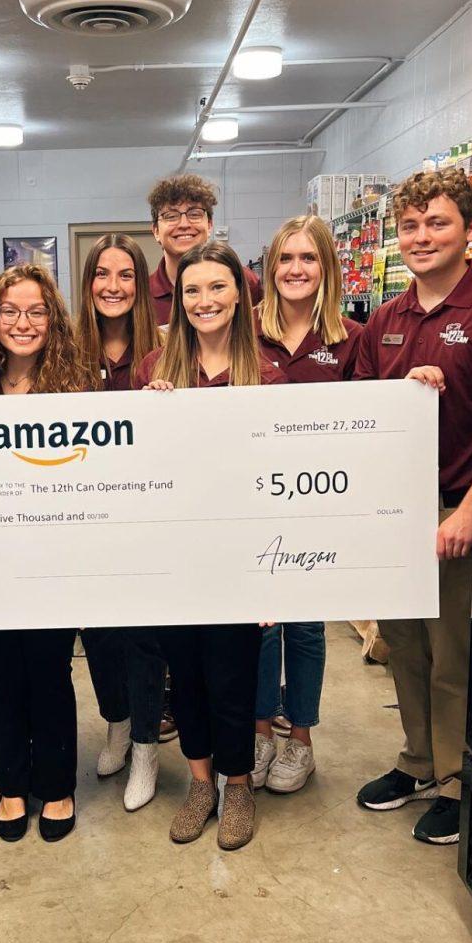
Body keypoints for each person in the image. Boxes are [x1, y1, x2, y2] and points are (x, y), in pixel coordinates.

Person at [134, 240, 284, 851]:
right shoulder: (154, 369)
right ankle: (201, 783)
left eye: (217, 287)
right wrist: (149, 417)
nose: (204, 300)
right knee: (186, 675)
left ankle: (239, 785)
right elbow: (136, 466)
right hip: (174, 553)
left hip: (240, 555)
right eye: (192, 289)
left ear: (242, 293)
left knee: (232, 675)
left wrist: (276, 572)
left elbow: (285, 475)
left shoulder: (267, 371)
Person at [353, 168, 472, 846]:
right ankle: (417, 761)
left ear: (468, 226)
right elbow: (358, 414)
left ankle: (459, 781)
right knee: (403, 644)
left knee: (452, 654)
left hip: (459, 507)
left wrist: (469, 511)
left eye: (437, 222)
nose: (421, 237)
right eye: (410, 225)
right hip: (394, 512)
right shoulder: (386, 318)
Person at [0, 266, 92, 842]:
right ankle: (10, 783)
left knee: (50, 670)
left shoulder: (74, 387)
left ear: (52, 320)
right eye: (9, 311)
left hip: (53, 553)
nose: (22, 323)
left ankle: (56, 786)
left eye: (35, 312)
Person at [251, 215, 363, 796]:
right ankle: (262, 733)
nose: (296, 270)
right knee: (260, 623)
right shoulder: (247, 332)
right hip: (253, 503)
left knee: (305, 625)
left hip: (319, 505)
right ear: (270, 270)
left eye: (308, 258)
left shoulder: (350, 337)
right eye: (285, 259)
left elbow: (373, 422)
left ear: (327, 268)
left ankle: (303, 741)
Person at [75, 234, 166, 810]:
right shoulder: (68, 353)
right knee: (98, 633)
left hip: (149, 523)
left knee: (145, 638)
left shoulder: (162, 352)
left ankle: (147, 747)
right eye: (102, 275)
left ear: (141, 283)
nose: (114, 286)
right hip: (86, 523)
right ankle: (116, 723)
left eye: (126, 275)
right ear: (87, 286)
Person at [146, 174, 262, 327]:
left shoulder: (245, 282)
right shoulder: (143, 294)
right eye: (171, 216)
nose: (184, 224)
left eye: (194, 214)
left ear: (209, 225)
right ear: (155, 231)